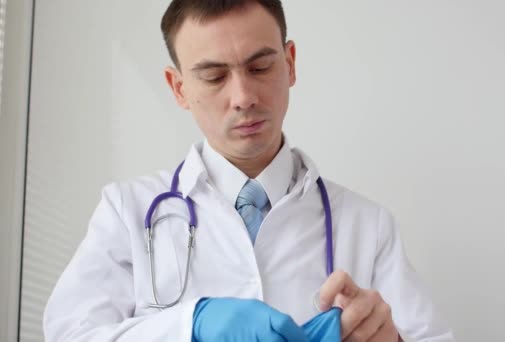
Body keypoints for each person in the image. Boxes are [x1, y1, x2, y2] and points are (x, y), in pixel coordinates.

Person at [43, 0, 455, 341]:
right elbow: (69, 334)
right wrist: (191, 325)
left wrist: (391, 339)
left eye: (260, 68)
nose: (243, 97)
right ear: (179, 88)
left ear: (290, 64)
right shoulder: (127, 211)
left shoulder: (369, 226)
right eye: (214, 76)